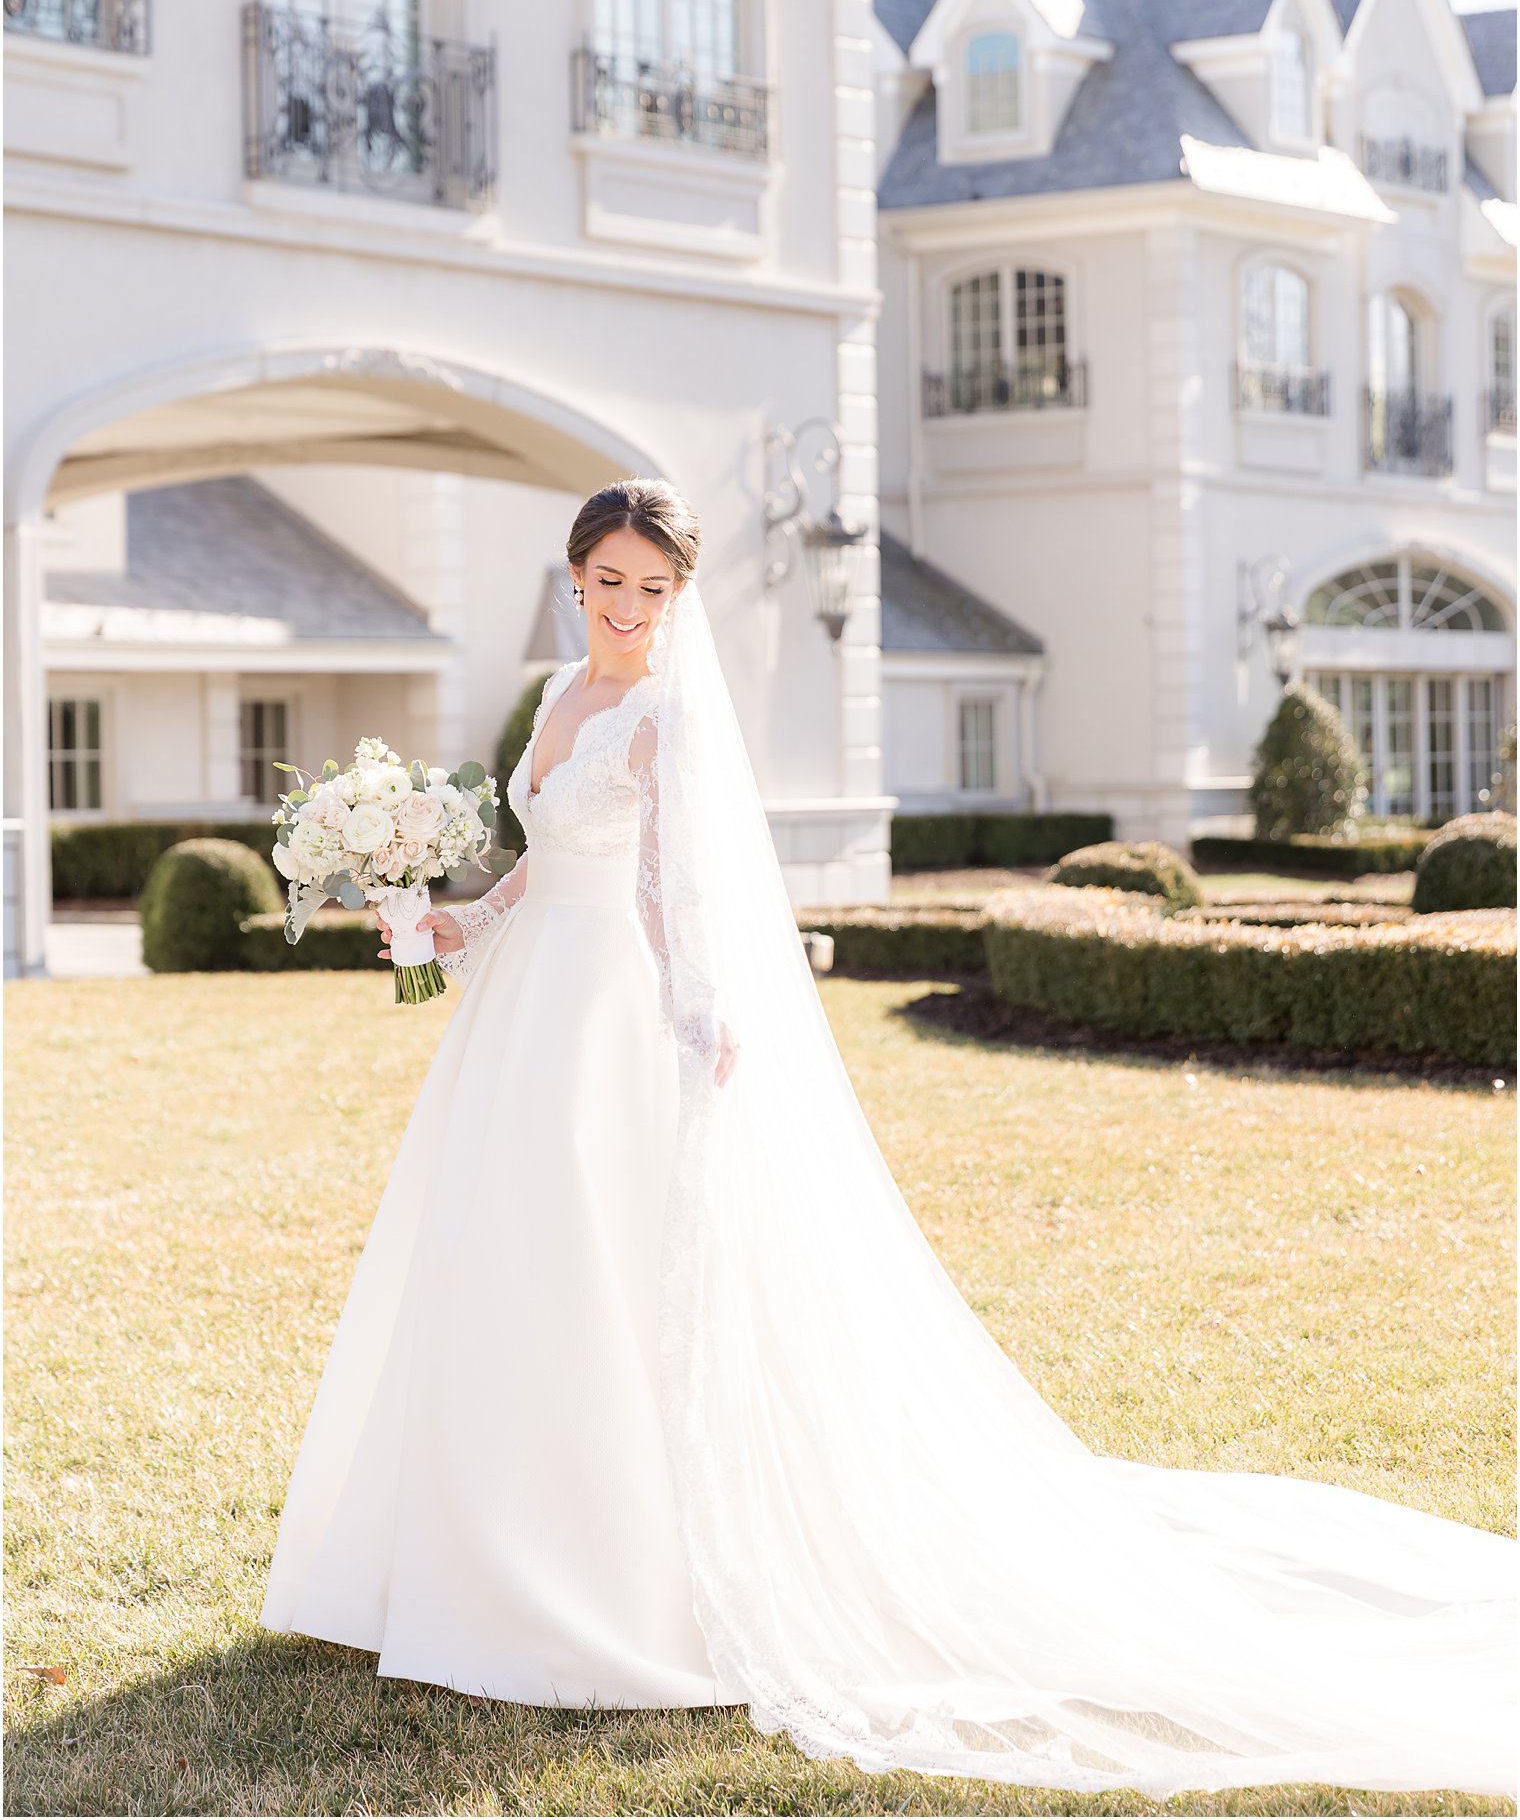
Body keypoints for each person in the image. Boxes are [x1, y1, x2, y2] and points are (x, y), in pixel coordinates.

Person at [260, 477, 1515, 1798]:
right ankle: (473, 1560)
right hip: (522, 1017)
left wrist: (697, 1016)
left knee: (602, 1274)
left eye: (655, 587)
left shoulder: (668, 712)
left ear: (677, 596)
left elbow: (668, 886)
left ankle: (606, 1588)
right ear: (574, 577)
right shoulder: (556, 699)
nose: (631, 607)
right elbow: (543, 862)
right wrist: (448, 920)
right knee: (500, 1267)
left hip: (610, 1024)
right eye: (611, 581)